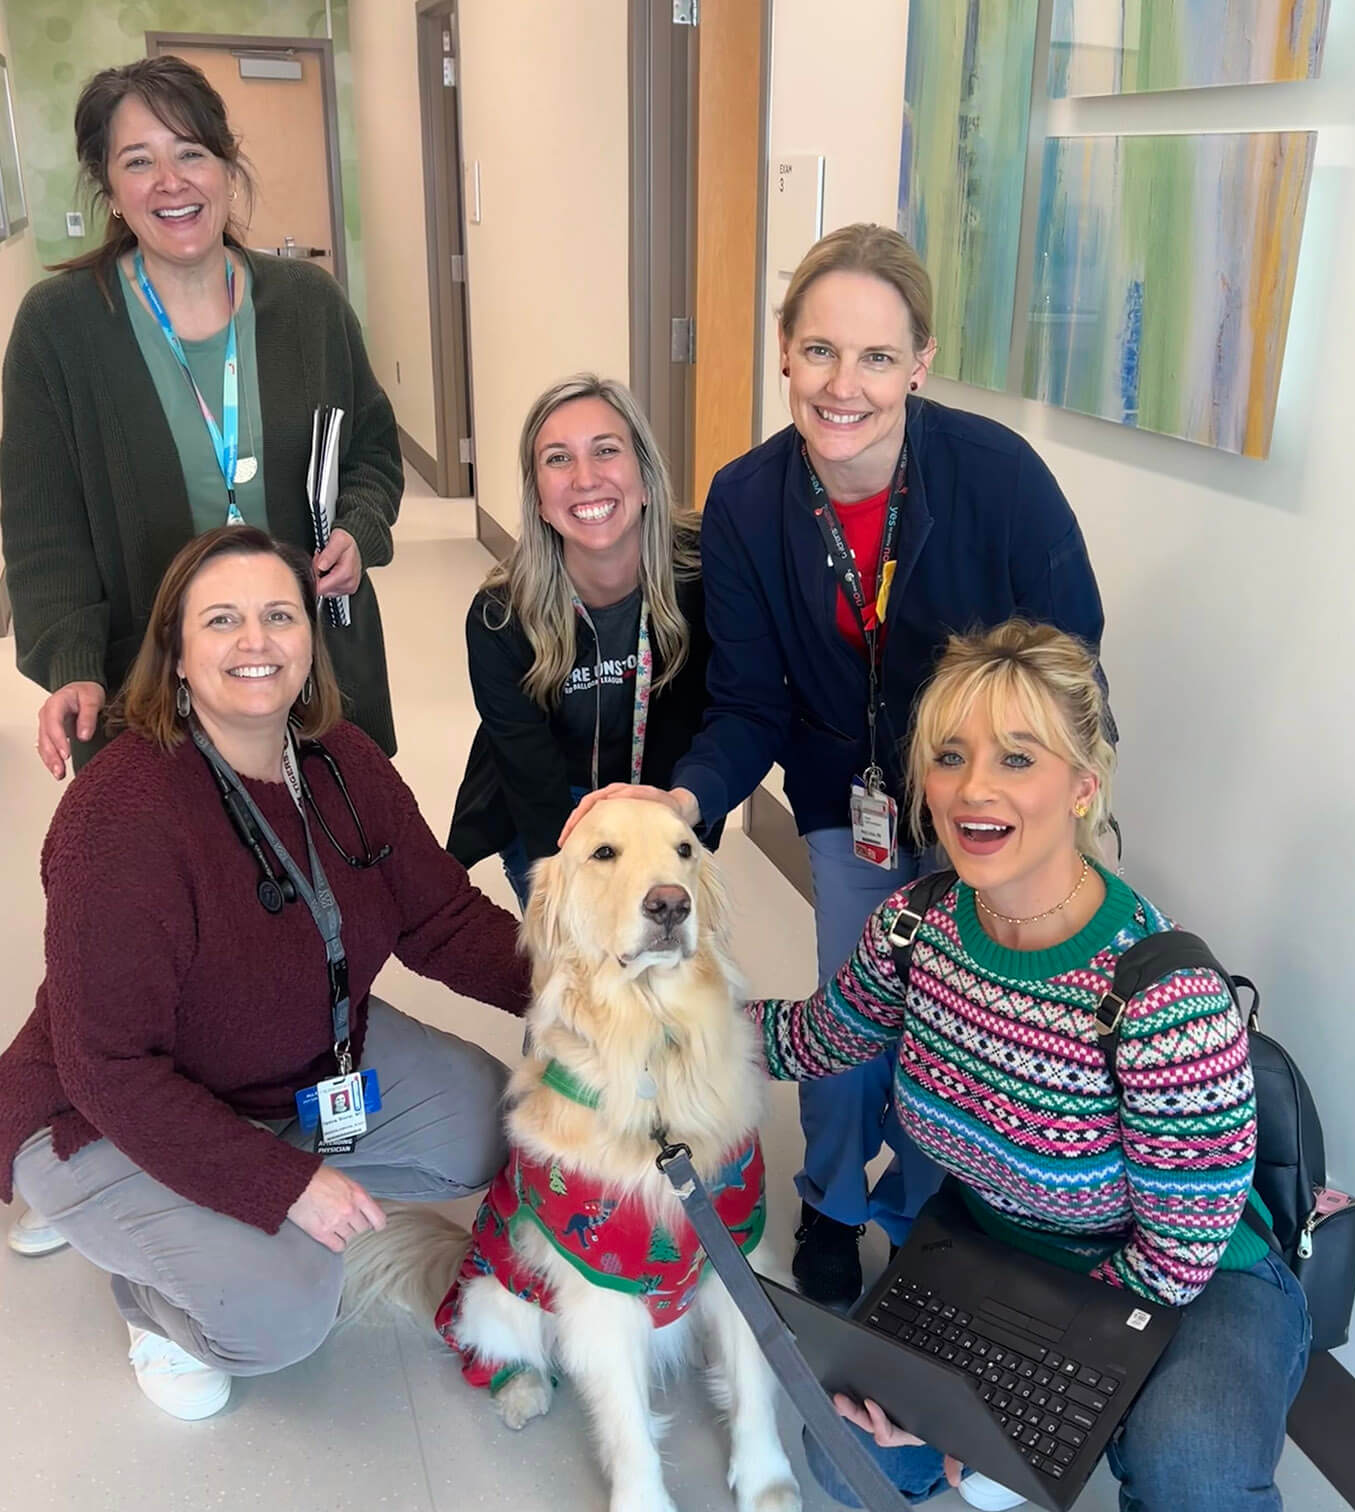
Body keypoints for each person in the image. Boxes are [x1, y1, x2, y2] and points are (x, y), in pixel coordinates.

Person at [567, 223, 1108, 1307]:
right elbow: (749, 702)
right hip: (844, 805)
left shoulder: (996, 477)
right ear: (783, 351)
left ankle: (920, 1214)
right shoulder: (748, 501)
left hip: (986, 815)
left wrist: (1029, 803)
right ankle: (831, 1199)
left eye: (873, 357)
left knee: (960, 1027)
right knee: (851, 1026)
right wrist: (683, 799)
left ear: (919, 361)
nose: (842, 385)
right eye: (819, 351)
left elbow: (1071, 662)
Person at [750, 622, 1310, 1512]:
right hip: (1000, 1250)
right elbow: (814, 1041)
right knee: (843, 1456)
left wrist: (1013, 1393)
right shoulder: (917, 927)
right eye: (952, 757)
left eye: (1017, 758)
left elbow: (1179, 1253)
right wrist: (657, 1033)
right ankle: (1022, 1442)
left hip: (1185, 1278)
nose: (974, 791)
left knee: (1202, 1500)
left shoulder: (1158, 992)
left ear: (1083, 785)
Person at [0, 526, 530, 1419]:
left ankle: (244, 1189)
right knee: (282, 1314)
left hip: (304, 1063)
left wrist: (592, 990)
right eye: (222, 621)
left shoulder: (343, 760)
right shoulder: (119, 818)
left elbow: (441, 918)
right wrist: (284, 1186)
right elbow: (108, 1069)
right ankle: (151, 1303)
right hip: (101, 1113)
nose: (256, 642)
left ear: (311, 643)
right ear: (173, 654)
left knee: (498, 1127)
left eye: (279, 615)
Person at [0, 55, 402, 785]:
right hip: (146, 683)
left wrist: (357, 528)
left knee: (341, 864)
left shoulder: (308, 306)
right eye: (138, 161)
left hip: (311, 669)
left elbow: (370, 450)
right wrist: (73, 664)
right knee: (186, 876)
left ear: (225, 165)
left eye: (191, 152)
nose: (171, 181)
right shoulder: (59, 330)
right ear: (111, 189)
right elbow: (41, 525)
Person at [447, 375, 713, 908]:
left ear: (645, 478)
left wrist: (674, 820)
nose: (586, 478)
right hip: (551, 804)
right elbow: (530, 774)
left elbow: (714, 720)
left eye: (606, 451)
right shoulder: (500, 616)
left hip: (660, 795)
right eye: (558, 459)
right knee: (577, 967)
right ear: (540, 500)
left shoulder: (706, 579)